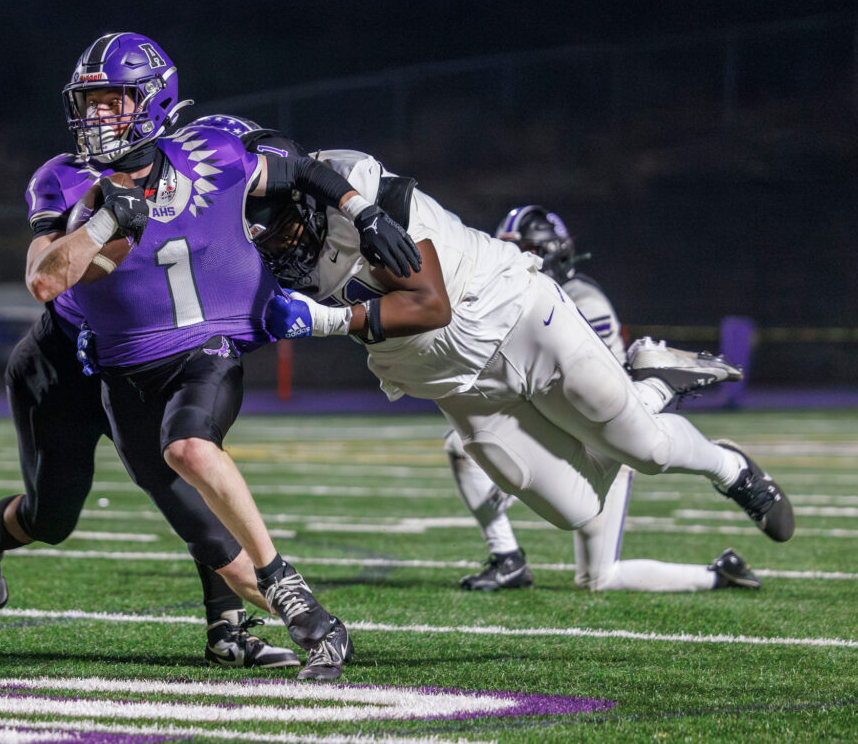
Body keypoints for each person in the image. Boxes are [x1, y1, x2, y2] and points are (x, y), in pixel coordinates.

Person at [21, 33, 421, 681]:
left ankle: (273, 602)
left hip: (204, 352)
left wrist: (365, 212)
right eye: (89, 104)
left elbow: (304, 168)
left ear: (152, 102)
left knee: (190, 448)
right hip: (122, 377)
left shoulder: (211, 154)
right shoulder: (66, 181)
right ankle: (317, 625)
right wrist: (99, 222)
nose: (97, 118)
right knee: (215, 545)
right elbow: (44, 281)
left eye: (112, 102)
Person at [244, 131, 794, 595]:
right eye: (263, 239)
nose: (278, 248)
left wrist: (325, 321)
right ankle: (644, 393)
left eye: (282, 230)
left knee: (647, 451)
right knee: (575, 508)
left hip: (513, 316)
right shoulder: (269, 232)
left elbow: (429, 304)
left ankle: (723, 461)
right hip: (453, 382)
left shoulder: (357, 186)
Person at [445, 205, 756, 593]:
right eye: (507, 249)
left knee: (599, 578)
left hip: (604, 435)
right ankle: (507, 557)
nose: (513, 259)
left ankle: (718, 569)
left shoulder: (582, 301)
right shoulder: (518, 301)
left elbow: (600, 390)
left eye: (523, 248)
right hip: (559, 420)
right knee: (461, 443)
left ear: (552, 251)